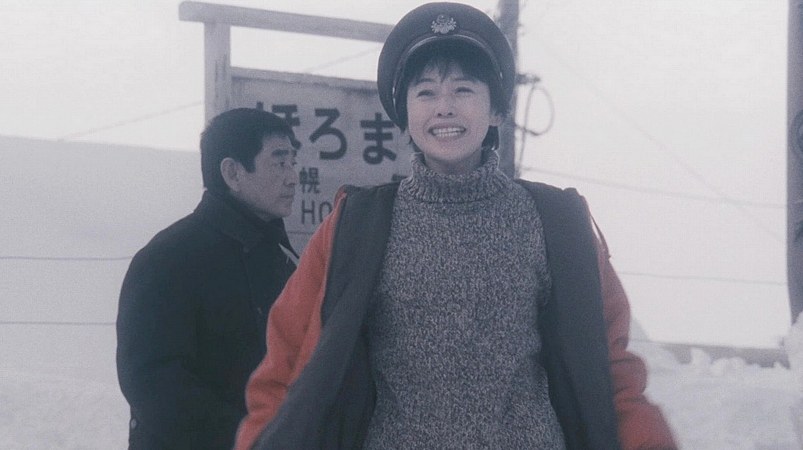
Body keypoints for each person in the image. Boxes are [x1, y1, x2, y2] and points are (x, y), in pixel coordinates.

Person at [234, 3, 678, 449]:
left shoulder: (554, 222)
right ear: (405, 114)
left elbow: (611, 370)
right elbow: (288, 360)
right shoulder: (356, 226)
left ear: (496, 111)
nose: (444, 108)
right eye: (425, 93)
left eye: (463, 90)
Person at [116, 107, 299, 449]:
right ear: (232, 173)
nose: (292, 177)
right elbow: (152, 381)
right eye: (279, 163)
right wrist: (249, 438)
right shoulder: (168, 258)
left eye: (293, 162)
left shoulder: (283, 258)